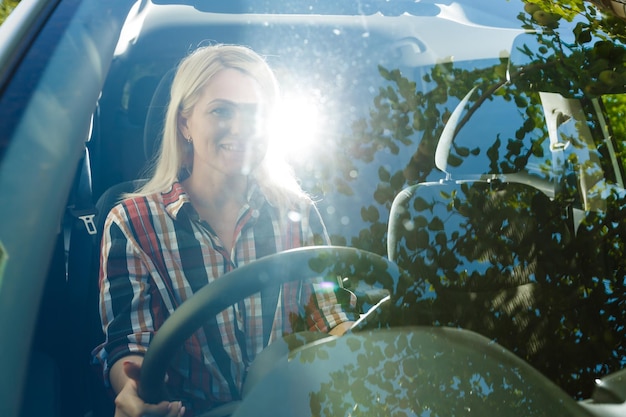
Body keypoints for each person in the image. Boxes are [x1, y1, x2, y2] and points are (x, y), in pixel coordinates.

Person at [93, 44, 357, 417]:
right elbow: (130, 346)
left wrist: (367, 350)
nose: (241, 128)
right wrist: (133, 392)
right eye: (221, 110)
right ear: (184, 123)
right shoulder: (133, 223)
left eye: (255, 113)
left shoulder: (296, 212)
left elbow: (329, 314)